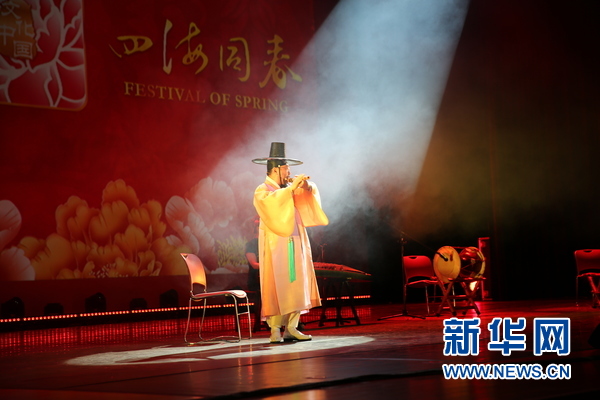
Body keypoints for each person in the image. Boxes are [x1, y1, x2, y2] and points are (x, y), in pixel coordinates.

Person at [252, 142, 329, 343]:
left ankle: (292, 327)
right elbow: (271, 203)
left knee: (297, 281)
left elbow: (308, 196)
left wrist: (305, 186)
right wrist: (290, 190)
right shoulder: (262, 190)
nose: (289, 172)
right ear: (276, 169)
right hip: (275, 244)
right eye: (286, 168)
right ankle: (275, 329)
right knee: (277, 283)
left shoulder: (288, 188)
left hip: (295, 240)